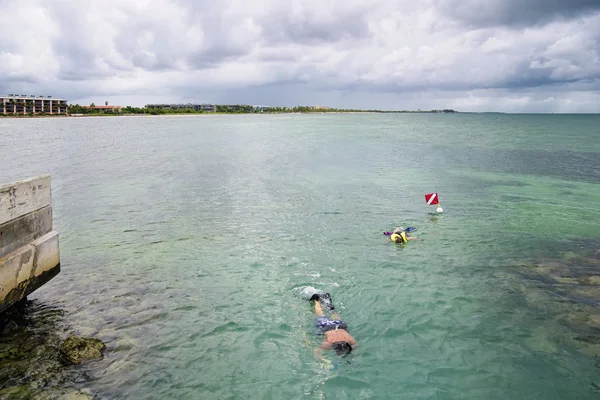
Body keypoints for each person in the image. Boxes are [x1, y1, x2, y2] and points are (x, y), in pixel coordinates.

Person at [309, 293, 357, 359]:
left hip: (340, 325)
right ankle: (316, 300)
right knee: (320, 315)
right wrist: (322, 360)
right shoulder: (329, 343)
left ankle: (330, 306)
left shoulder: (350, 340)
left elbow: (356, 347)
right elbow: (316, 352)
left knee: (335, 316)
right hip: (327, 327)